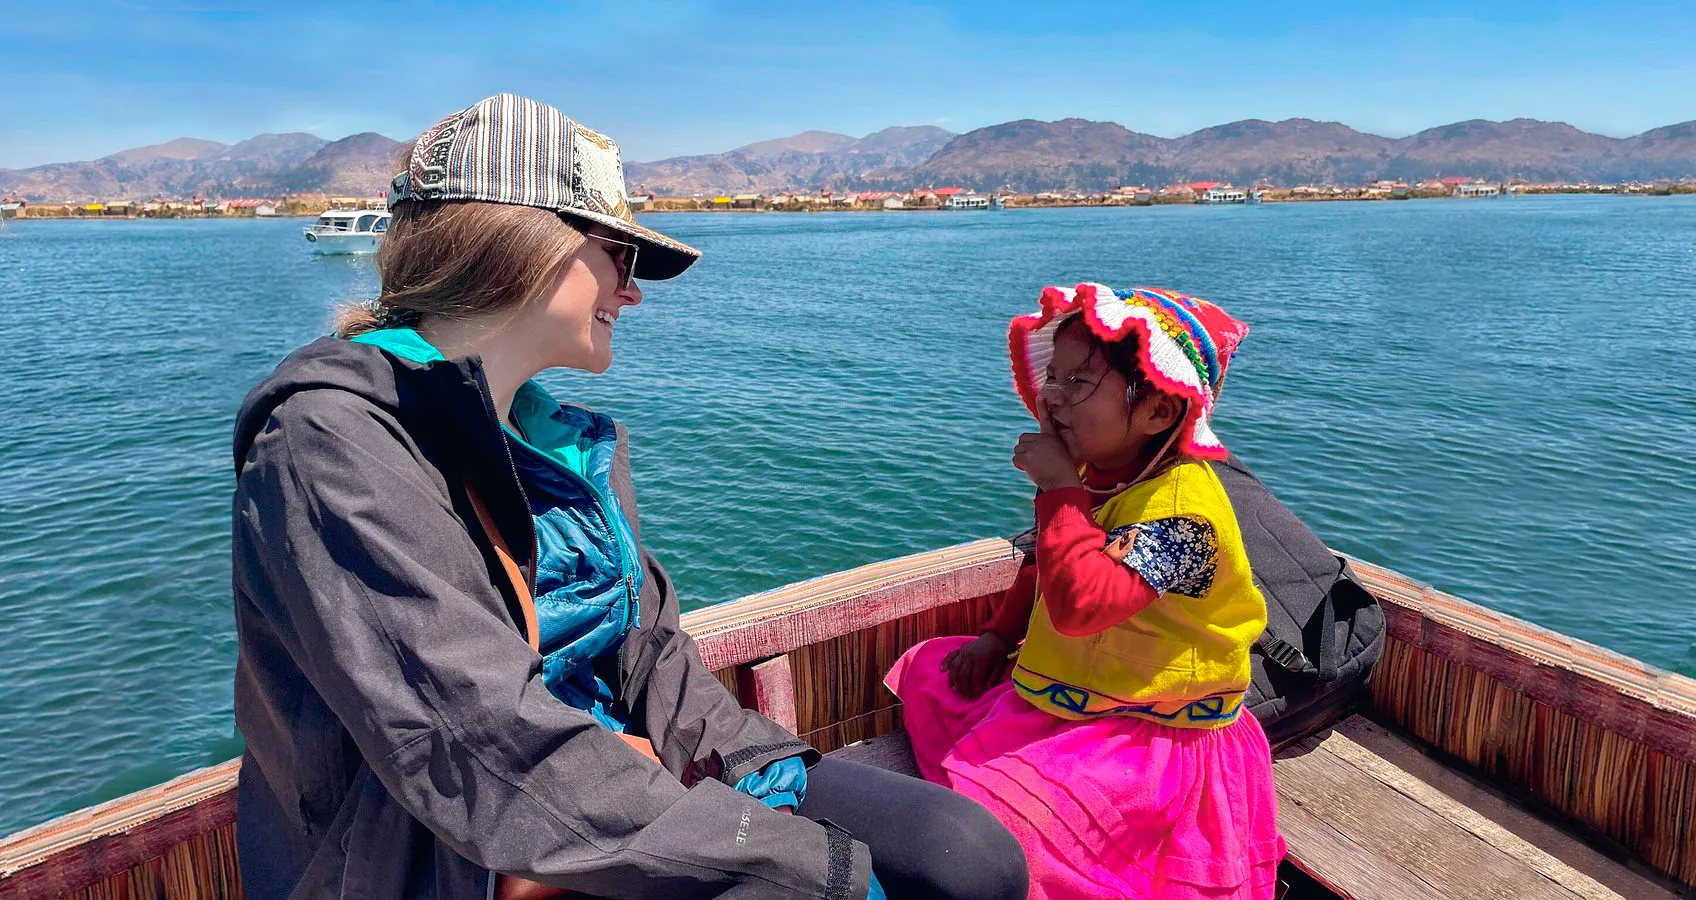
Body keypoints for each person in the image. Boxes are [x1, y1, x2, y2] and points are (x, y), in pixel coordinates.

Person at [231, 93, 1026, 900]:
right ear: (524, 242)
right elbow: (478, 745)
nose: (634, 291)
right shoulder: (331, 443)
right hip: (453, 852)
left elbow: (650, 652)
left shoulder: (562, 441)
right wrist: (806, 871)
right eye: (621, 255)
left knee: (966, 858)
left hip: (610, 775)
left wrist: (746, 771)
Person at [886, 283, 1285, 899]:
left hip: (1151, 738)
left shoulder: (1186, 517)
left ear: (1156, 411)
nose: (1051, 395)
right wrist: (996, 637)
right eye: (1057, 377)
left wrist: (1056, 490)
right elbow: (1048, 569)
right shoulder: (1102, 476)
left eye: (1079, 384)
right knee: (931, 667)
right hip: (1076, 696)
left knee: (992, 834)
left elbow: (1080, 607)